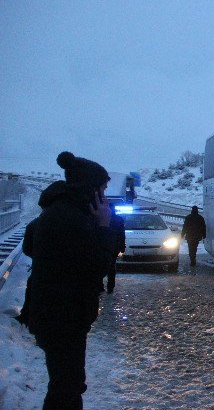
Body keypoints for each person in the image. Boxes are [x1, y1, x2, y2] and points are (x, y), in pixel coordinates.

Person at [28, 151, 116, 410]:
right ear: (90, 189)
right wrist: (104, 226)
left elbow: (30, 247)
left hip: (57, 316)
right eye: (102, 189)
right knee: (67, 387)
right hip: (62, 317)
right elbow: (97, 265)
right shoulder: (70, 219)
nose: (104, 195)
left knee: (66, 384)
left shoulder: (60, 211)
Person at [105, 203, 125, 293]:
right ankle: (110, 286)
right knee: (112, 266)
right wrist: (122, 246)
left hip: (104, 245)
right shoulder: (119, 220)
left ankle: (100, 285)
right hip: (114, 246)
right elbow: (122, 234)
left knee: (102, 265)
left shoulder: (102, 218)